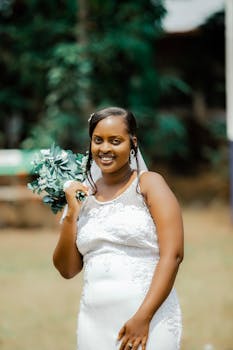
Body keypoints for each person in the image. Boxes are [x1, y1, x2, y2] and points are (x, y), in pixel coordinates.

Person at [53, 107, 184, 350]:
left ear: (132, 143)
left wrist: (143, 318)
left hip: (148, 319)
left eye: (116, 141)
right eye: (98, 140)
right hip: (94, 322)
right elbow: (67, 270)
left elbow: (173, 255)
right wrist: (72, 213)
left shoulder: (148, 184)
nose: (105, 148)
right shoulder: (83, 194)